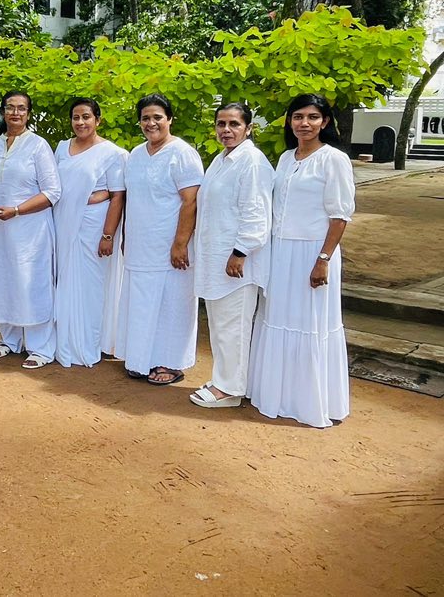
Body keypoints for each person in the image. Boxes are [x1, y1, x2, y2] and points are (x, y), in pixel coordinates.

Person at [247, 94, 355, 428]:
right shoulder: (285, 158)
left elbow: (340, 216)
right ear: (289, 121)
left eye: (312, 117)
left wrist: (323, 259)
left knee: (310, 323)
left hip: (313, 253)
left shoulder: (333, 159)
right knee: (277, 317)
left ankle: (310, 401)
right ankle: (277, 395)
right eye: (298, 117)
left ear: (325, 122)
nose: (304, 123)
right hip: (280, 252)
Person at [117, 93, 204, 385]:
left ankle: (170, 362)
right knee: (141, 304)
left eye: (157, 117)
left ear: (170, 119)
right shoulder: (135, 154)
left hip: (171, 247)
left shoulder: (182, 153)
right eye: (145, 118)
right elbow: (131, 199)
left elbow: (191, 201)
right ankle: (140, 359)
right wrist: (126, 235)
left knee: (171, 303)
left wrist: (180, 243)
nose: (151, 123)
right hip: (140, 245)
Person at [191, 103, 274, 408]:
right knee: (220, 323)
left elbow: (256, 212)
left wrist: (240, 252)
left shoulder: (252, 162)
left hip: (236, 261)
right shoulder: (222, 159)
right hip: (216, 256)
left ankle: (230, 389)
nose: (226, 130)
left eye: (234, 124)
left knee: (233, 325)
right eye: (221, 124)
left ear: (248, 128)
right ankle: (223, 379)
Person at [0, 91, 62, 369]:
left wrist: (16, 210)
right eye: (10, 107)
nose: (15, 113)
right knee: (3, 281)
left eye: (21, 108)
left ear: (28, 113)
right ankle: (9, 340)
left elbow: (52, 192)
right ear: (3, 111)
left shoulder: (38, 146)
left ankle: (40, 347)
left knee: (31, 283)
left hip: (30, 229)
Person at [53, 98, 128, 368]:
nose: (81, 122)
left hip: (94, 227)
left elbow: (118, 196)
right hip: (63, 224)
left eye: (86, 116)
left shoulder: (112, 154)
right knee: (65, 280)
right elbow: (55, 187)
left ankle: (90, 342)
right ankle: (62, 339)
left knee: (92, 287)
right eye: (76, 117)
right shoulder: (62, 148)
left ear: (98, 119)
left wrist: (108, 236)